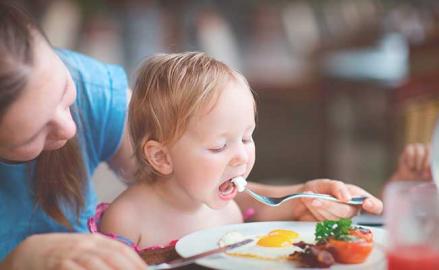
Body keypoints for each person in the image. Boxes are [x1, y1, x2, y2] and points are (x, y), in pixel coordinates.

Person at [90, 52, 383, 249]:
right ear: (162, 157)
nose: (242, 156)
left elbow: (276, 211)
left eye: (246, 138)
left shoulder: (230, 210)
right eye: (219, 146)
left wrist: (317, 199)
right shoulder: (127, 220)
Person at [0, 3, 145, 269]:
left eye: (64, 89)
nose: (70, 129)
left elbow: (177, 184)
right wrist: (14, 263)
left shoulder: (92, 87)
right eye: (32, 135)